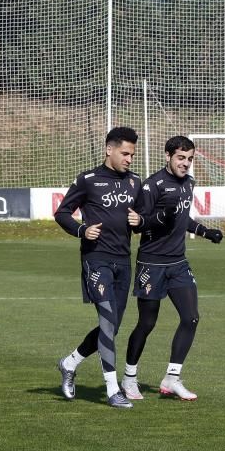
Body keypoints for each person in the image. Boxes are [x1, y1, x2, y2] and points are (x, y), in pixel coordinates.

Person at [122, 136, 223, 401]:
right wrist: (158, 218)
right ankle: (129, 378)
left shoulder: (189, 183)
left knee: (191, 317)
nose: (186, 164)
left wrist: (204, 231)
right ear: (168, 156)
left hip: (178, 264)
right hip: (151, 264)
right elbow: (138, 224)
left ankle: (172, 378)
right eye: (181, 157)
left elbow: (182, 217)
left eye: (189, 159)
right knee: (147, 323)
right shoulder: (152, 185)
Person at [55, 127, 142, 408]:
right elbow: (62, 212)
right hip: (96, 260)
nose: (129, 159)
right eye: (125, 153)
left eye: (132, 154)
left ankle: (70, 363)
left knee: (111, 328)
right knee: (106, 321)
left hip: (123, 261)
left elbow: (144, 218)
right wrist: (82, 230)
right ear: (109, 149)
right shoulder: (89, 180)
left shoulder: (134, 182)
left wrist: (140, 221)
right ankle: (112, 390)